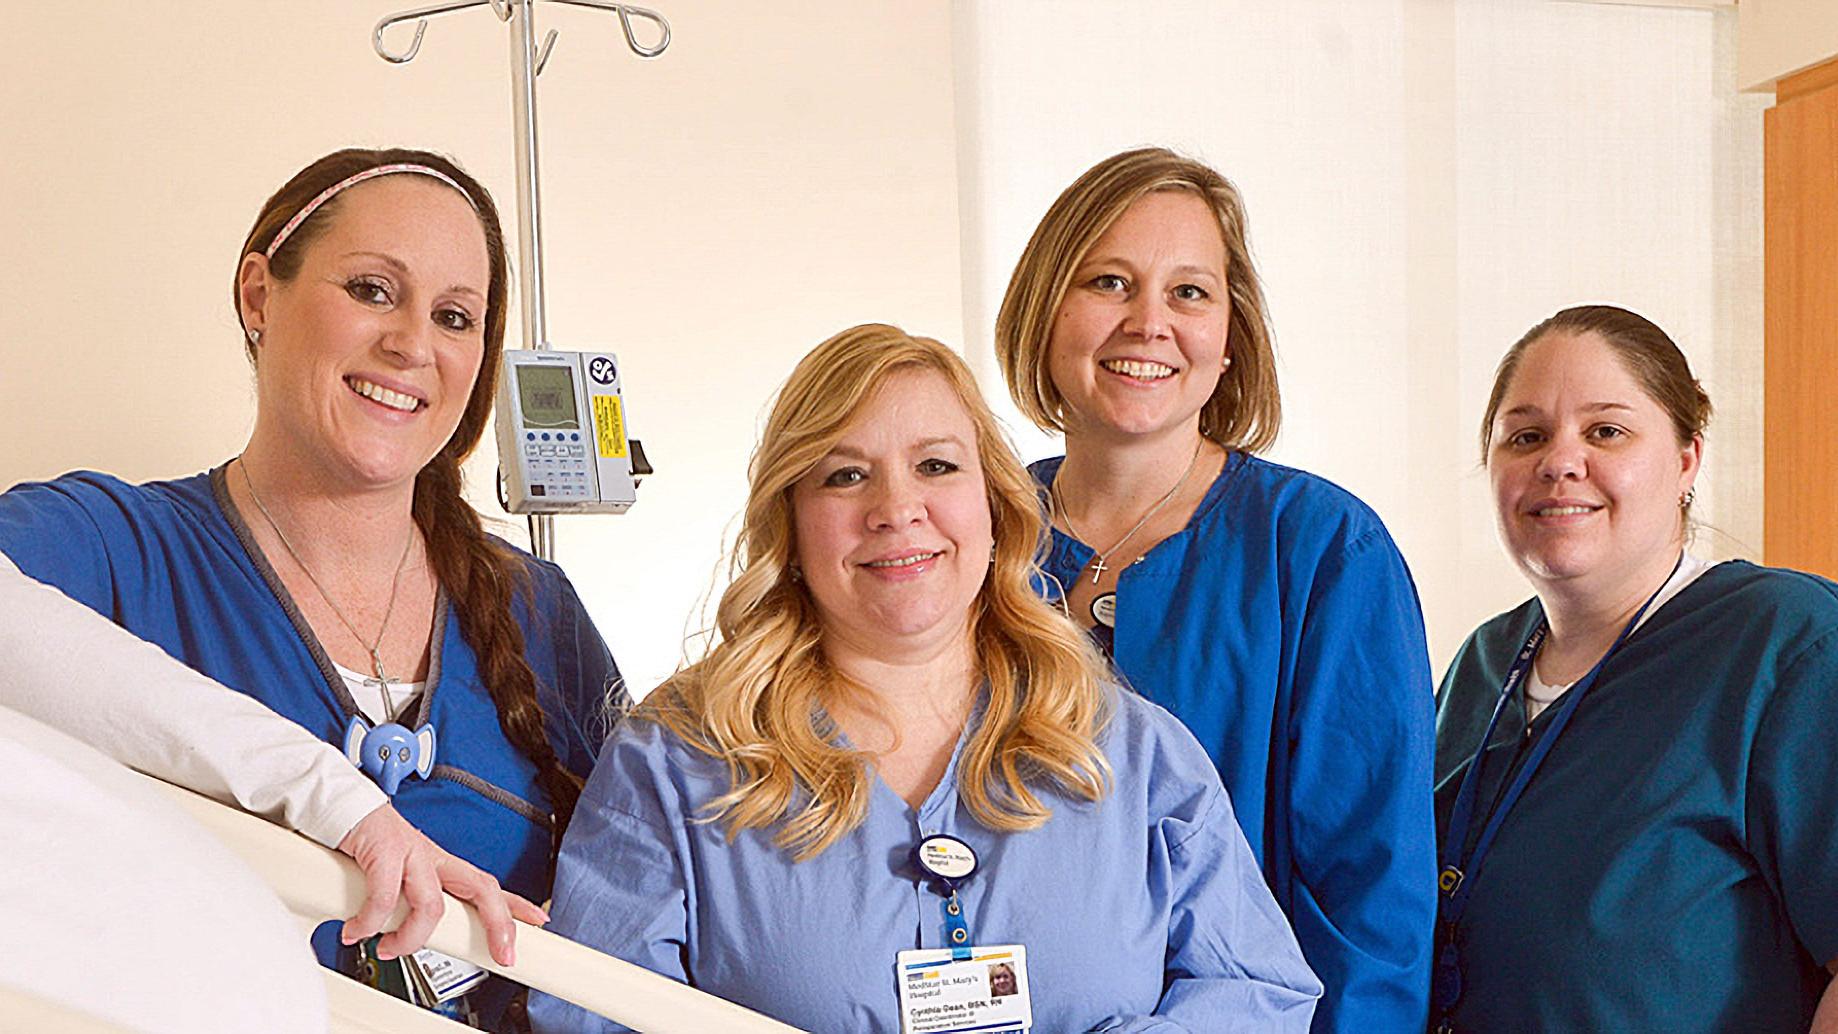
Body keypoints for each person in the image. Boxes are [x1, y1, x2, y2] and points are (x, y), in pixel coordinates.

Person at [530, 324, 1321, 1033]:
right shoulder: (677, 764)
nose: (896, 508)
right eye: (844, 476)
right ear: (793, 521)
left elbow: (1256, 989)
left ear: (994, 506)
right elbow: (588, 1013)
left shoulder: (1132, 755)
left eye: (936, 466)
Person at [0, 148, 623, 1025]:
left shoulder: (540, 615)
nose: (412, 344)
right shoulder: (115, 551)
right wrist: (318, 791)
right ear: (260, 296)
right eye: (372, 290)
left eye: (454, 316)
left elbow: (651, 913)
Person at [993, 146, 1435, 1031]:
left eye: (1189, 292)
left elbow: (1371, 892)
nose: (1149, 322)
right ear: (1045, 315)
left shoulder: (1321, 549)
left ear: (1231, 338)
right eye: (1109, 282)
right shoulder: (973, 534)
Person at [1432, 305, 1838, 1032]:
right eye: (1525, 437)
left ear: (1687, 460)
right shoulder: (1482, 665)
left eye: (1606, 432)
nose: (1559, 461)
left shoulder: (1786, 643)